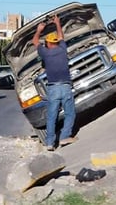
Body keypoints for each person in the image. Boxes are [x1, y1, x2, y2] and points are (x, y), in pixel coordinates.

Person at [32, 14, 77, 151]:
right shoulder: (63, 50)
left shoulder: (45, 53)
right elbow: (62, 36)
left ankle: (50, 143)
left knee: (52, 116)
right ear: (56, 42)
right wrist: (57, 23)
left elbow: (34, 42)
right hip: (65, 86)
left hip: (53, 89)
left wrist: (39, 30)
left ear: (48, 43)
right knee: (70, 113)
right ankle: (64, 137)